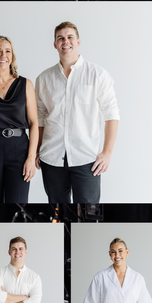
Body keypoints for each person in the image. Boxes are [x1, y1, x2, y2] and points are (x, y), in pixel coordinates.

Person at [34, 21, 119, 204]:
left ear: (78, 42)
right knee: (58, 213)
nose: (66, 42)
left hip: (86, 159)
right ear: (55, 44)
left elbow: (111, 114)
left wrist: (107, 152)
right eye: (61, 38)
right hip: (52, 158)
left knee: (88, 213)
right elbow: (40, 118)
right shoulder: (43, 79)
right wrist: (36, 150)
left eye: (70, 37)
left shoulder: (97, 74)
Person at [0, 36, 40, 219]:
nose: (3, 55)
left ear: (12, 57)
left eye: (7, 51)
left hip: (19, 149)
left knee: (18, 207)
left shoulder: (25, 84)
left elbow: (34, 123)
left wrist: (31, 158)